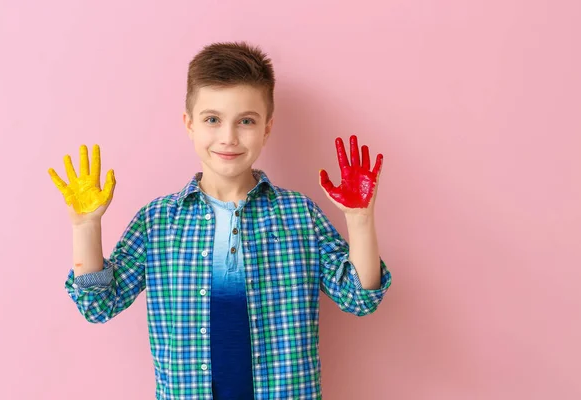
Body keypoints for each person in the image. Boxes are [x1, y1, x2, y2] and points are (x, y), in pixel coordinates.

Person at [48, 41, 392, 400]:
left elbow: (360, 298)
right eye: (212, 119)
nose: (228, 137)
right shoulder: (157, 222)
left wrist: (360, 220)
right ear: (189, 124)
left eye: (246, 121)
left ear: (267, 128)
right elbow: (98, 305)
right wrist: (85, 228)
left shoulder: (299, 215)